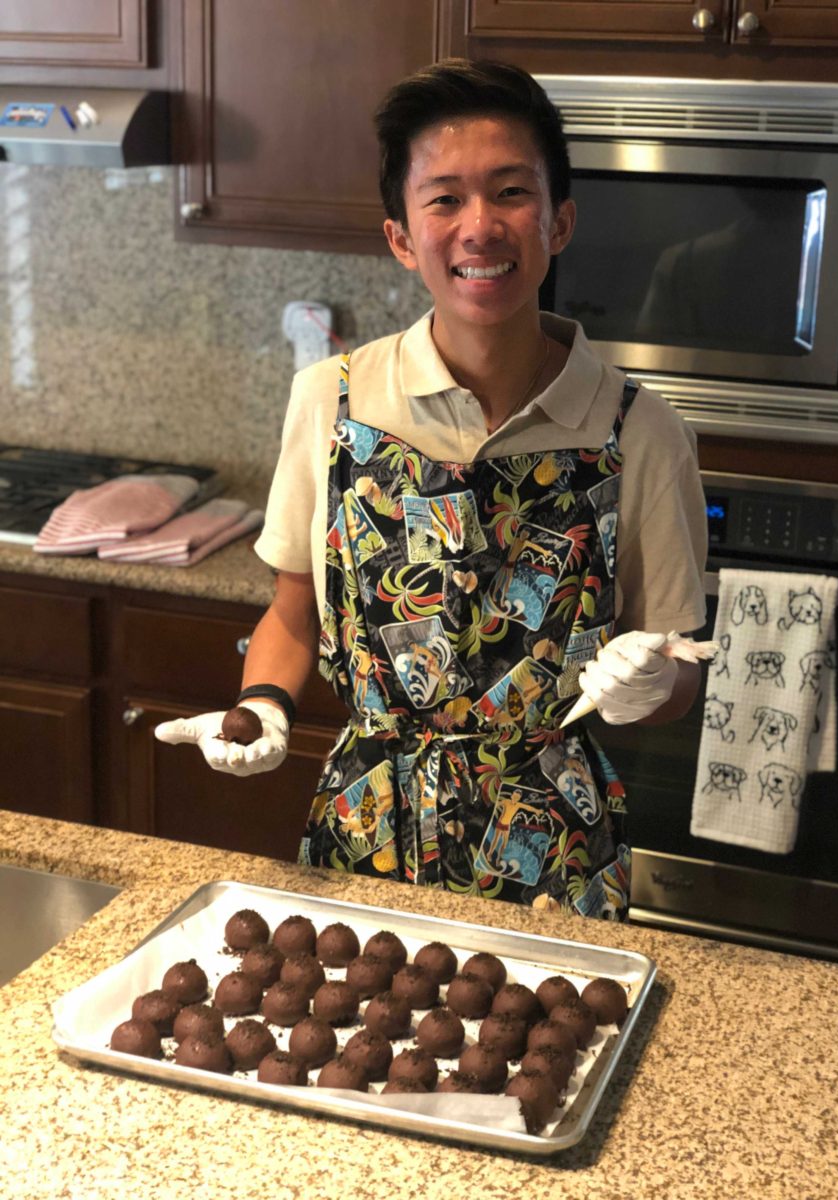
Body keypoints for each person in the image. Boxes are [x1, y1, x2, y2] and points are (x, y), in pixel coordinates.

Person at [156, 59, 708, 919]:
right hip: (364, 832)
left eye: (510, 193)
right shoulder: (331, 401)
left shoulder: (640, 432)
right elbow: (292, 615)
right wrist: (262, 704)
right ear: (403, 237)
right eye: (444, 199)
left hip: (554, 850)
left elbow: (678, 675)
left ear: (558, 221)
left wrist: (654, 687)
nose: (480, 227)